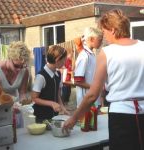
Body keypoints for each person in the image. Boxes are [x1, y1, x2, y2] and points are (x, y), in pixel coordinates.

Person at [63, 9, 144, 150]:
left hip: (121, 115)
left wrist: (74, 118)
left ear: (112, 30)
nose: (105, 37)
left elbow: (93, 94)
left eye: (105, 32)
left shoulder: (107, 52)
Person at [32, 45, 70, 123]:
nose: (65, 62)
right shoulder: (41, 76)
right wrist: (51, 103)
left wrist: (63, 107)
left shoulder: (58, 74)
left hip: (54, 117)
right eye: (64, 60)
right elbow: (34, 98)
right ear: (57, 60)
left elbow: (58, 94)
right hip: (41, 117)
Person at [74, 27, 103, 108]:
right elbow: (77, 81)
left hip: (93, 100)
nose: (101, 42)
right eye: (100, 40)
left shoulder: (92, 55)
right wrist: (95, 87)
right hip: (85, 103)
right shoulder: (84, 56)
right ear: (91, 39)